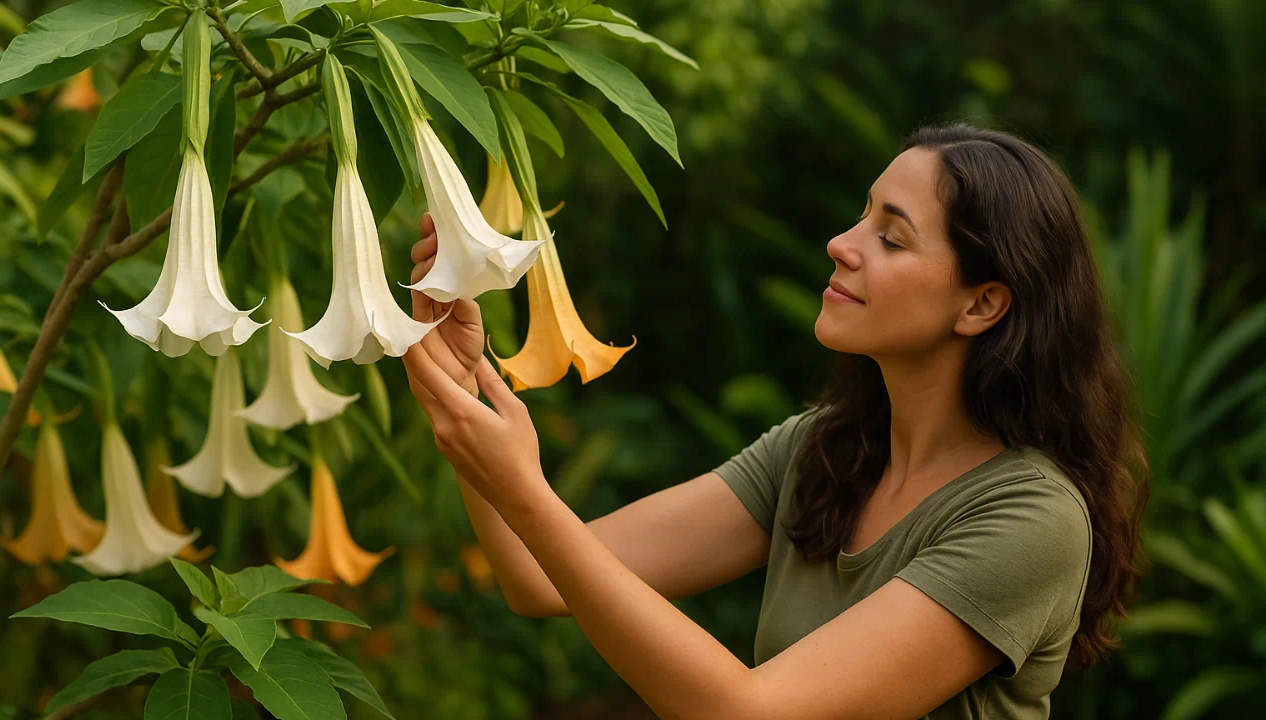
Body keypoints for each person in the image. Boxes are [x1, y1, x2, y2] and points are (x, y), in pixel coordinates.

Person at [401, 122, 1149, 720]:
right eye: (861, 217)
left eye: (890, 237)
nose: (841, 245)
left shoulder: (1032, 519)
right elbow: (539, 579)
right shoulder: (822, 453)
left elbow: (750, 712)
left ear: (982, 303)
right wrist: (460, 386)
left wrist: (524, 487)